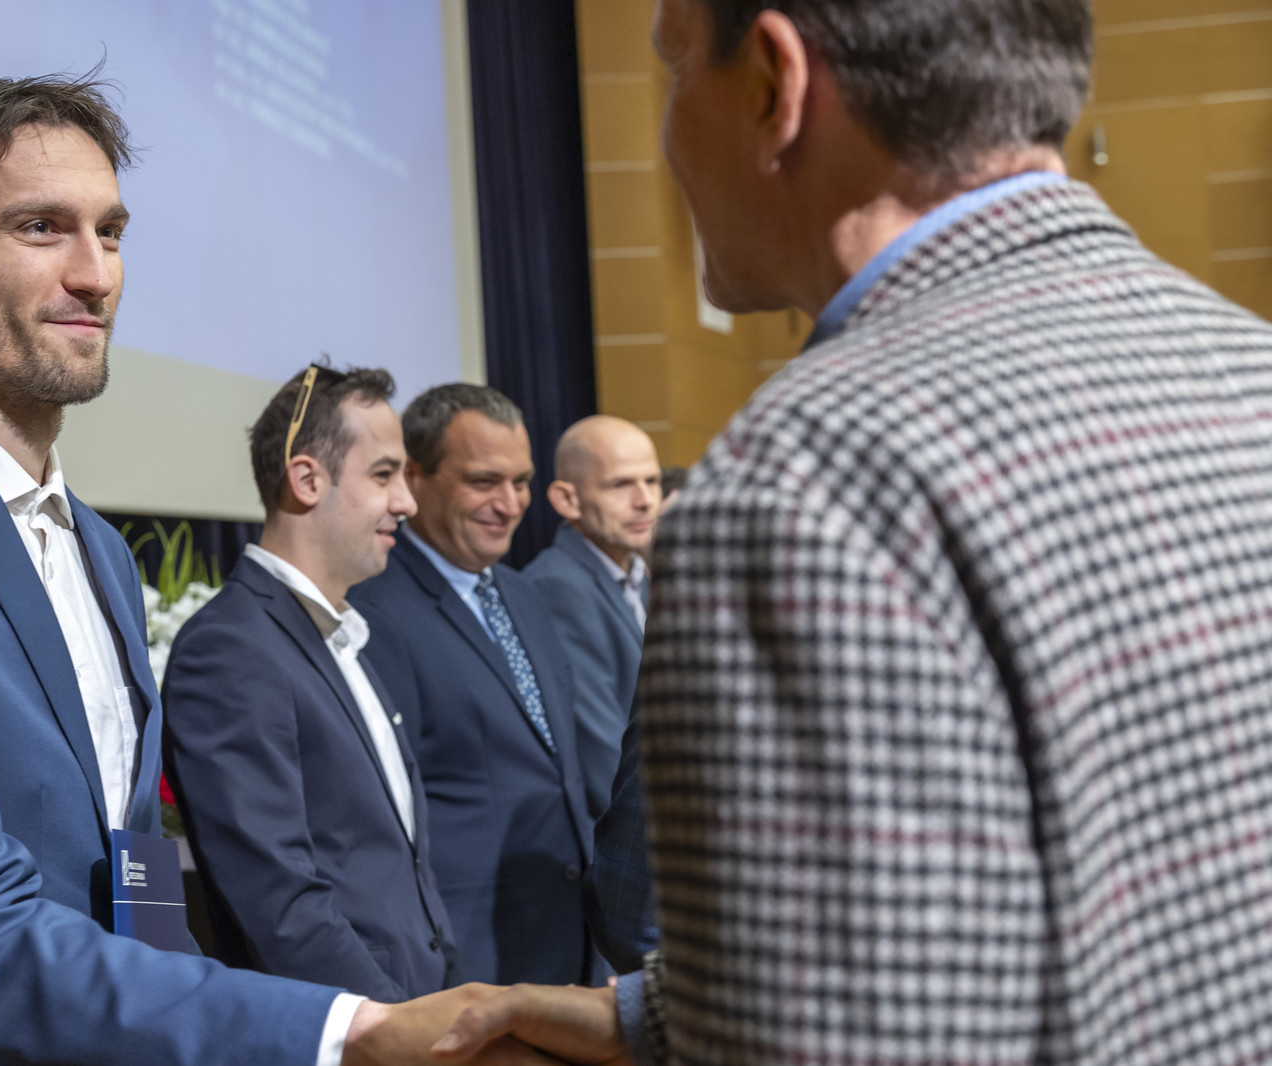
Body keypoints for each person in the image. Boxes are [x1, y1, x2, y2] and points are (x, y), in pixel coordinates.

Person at [435, 0, 1272, 1063]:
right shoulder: (1248, 369)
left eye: (674, 70)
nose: (666, 136)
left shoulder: (798, 486)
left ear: (772, 85)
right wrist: (646, 1016)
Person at [0, 73, 526, 1066]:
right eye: (41, 228)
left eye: (110, 232)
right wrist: (347, 1028)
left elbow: (134, 884)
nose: (96, 275)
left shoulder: (100, 548)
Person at [162, 363, 459, 1001]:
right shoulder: (230, 649)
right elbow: (280, 900)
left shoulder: (343, 635)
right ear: (306, 480)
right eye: (384, 475)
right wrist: (395, 1031)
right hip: (348, 1028)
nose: (407, 502)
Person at [349, 384, 602, 987]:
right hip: (468, 966)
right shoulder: (371, 611)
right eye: (484, 481)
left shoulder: (522, 594)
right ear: (415, 477)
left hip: (574, 947)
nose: (510, 504)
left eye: (522, 482)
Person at [525, 414, 660, 820]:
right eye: (620, 484)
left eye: (652, 481)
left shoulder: (641, 577)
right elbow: (603, 757)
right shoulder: (556, 585)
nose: (645, 500)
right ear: (567, 499)